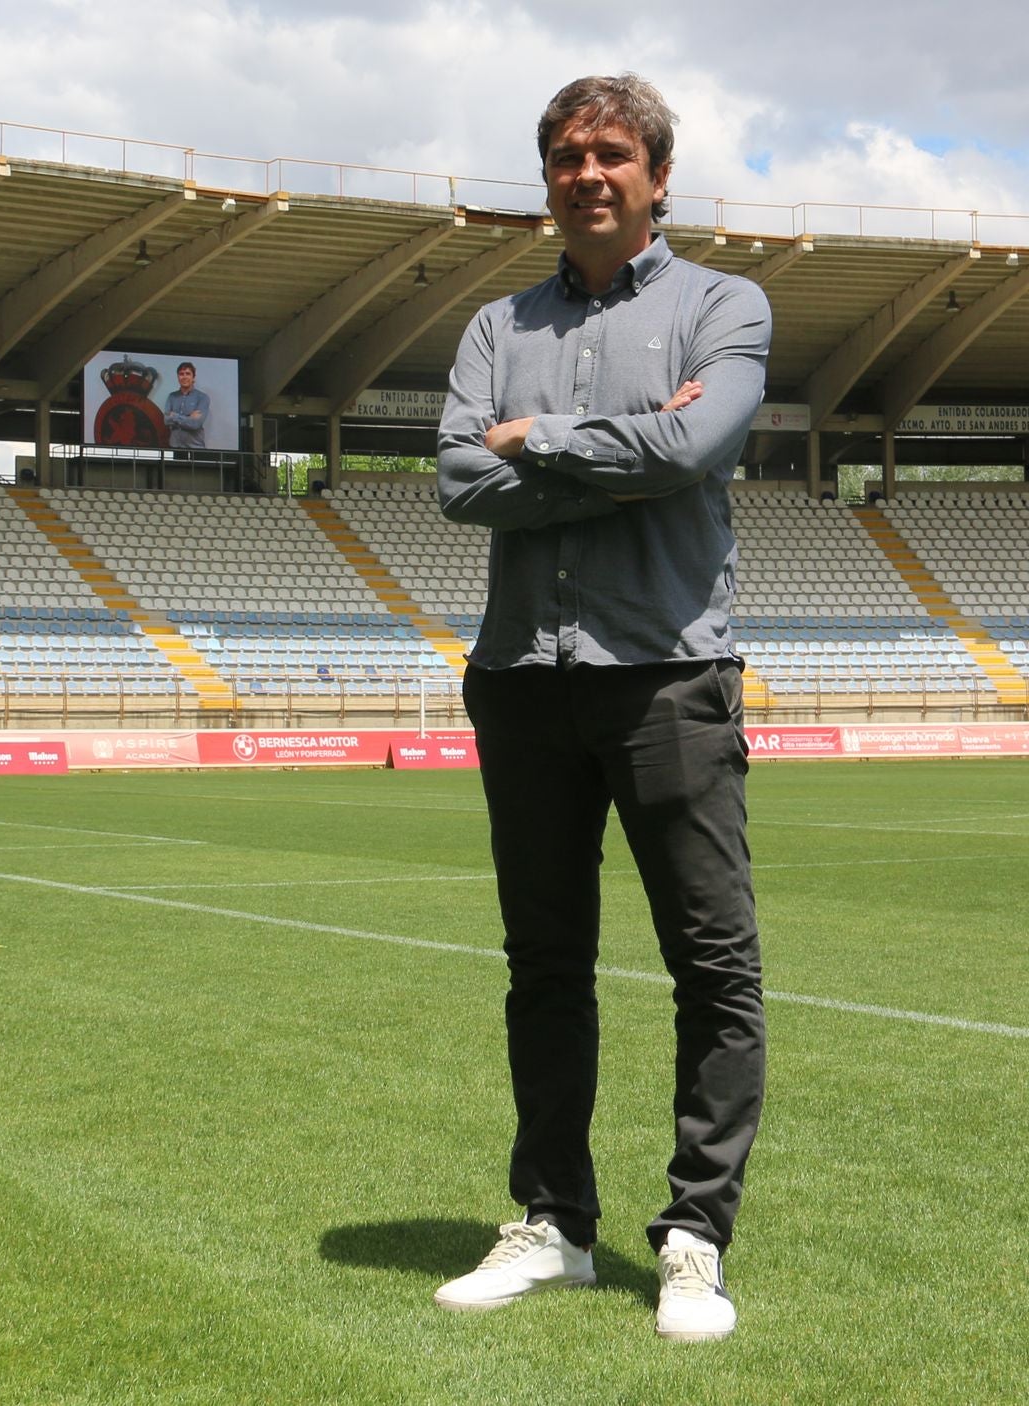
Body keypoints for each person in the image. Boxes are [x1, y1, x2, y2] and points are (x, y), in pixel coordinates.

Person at [434, 72, 770, 1341]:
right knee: (545, 966)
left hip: (668, 677)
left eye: (612, 153)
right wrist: (604, 447)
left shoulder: (722, 305)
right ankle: (553, 1223)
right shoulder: (493, 325)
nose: (588, 172)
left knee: (713, 965)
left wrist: (535, 441)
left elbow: (694, 452)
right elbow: (460, 484)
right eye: (567, 154)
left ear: (656, 176)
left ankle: (696, 1235)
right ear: (549, 178)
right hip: (523, 676)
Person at [163, 361, 211, 449]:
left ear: (193, 377)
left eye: (188, 374)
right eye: (181, 374)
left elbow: (195, 424)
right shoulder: (172, 396)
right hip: (174, 446)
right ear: (178, 377)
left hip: (195, 448)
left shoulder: (203, 398)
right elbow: (166, 420)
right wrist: (189, 417)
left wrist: (174, 416)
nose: (184, 377)